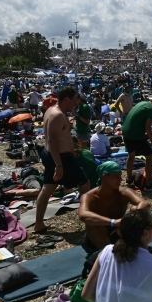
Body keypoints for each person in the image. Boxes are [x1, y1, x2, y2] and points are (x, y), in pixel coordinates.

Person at [32, 86, 91, 234]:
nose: (75, 104)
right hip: (61, 157)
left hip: (53, 155)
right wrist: (59, 165)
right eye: (74, 101)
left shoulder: (51, 110)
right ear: (66, 99)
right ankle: (90, 219)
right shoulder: (57, 115)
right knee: (84, 185)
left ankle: (39, 224)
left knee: (48, 188)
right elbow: (52, 141)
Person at [77, 161, 151, 252]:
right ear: (105, 178)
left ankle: (128, 246)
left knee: (136, 210)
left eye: (120, 176)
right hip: (100, 233)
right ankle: (108, 253)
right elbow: (83, 215)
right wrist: (115, 222)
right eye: (116, 176)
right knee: (91, 222)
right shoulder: (90, 196)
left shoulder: (124, 192)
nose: (120, 179)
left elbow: (145, 205)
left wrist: (124, 222)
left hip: (121, 230)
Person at [122, 93, 152, 186]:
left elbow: (139, 122)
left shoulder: (142, 103)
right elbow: (148, 127)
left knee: (131, 155)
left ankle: (128, 179)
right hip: (135, 135)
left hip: (125, 131)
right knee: (149, 157)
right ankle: (148, 184)